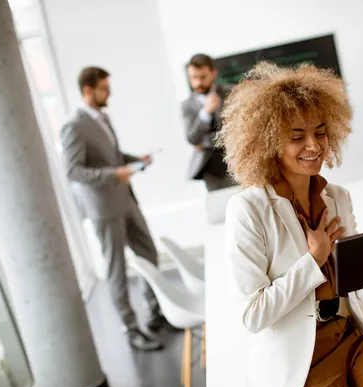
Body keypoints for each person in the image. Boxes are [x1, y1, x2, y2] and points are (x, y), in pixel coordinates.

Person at [217, 62, 363, 387]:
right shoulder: (248, 210)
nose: (314, 146)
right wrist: (313, 261)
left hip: (352, 343)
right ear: (266, 142)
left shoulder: (337, 198)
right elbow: (253, 315)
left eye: (320, 132)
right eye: (297, 136)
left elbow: (356, 284)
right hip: (300, 366)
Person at [61, 66, 169, 351]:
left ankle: (155, 312)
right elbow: (73, 171)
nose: (109, 93)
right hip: (104, 208)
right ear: (88, 90)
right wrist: (114, 175)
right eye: (104, 89)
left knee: (148, 252)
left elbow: (112, 156)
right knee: (117, 270)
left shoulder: (102, 118)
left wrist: (136, 160)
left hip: (127, 199)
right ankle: (132, 329)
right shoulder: (73, 125)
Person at [182, 54, 236, 191]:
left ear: (213, 74)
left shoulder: (231, 92)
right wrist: (205, 112)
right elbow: (192, 138)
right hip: (211, 168)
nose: (198, 82)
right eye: (194, 77)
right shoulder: (187, 105)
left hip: (236, 157)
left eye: (203, 77)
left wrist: (206, 141)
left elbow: (238, 128)